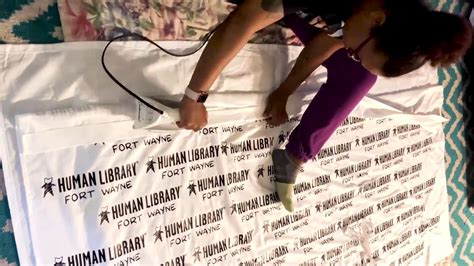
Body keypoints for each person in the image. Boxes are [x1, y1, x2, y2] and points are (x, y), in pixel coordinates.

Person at [177, 0, 473, 212]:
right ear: (377, 19)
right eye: (356, 53)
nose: (351, 54)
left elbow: (328, 41)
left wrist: (285, 91)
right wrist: (195, 96)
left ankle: (294, 156)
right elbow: (247, 16)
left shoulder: (372, 14)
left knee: (360, 77)